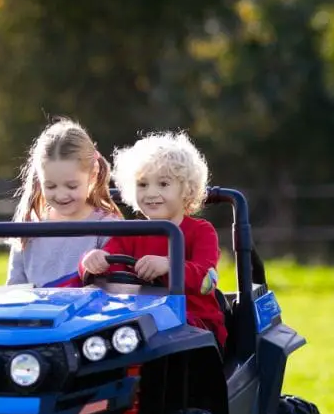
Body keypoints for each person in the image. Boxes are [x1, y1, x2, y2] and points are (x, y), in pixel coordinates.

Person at [79, 130, 227, 347]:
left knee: (160, 334)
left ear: (187, 189)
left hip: (194, 322)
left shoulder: (201, 231)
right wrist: (92, 261)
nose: (150, 193)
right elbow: (108, 263)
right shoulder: (131, 233)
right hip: (139, 320)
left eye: (163, 184)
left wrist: (170, 266)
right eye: (142, 184)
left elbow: (206, 280)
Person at [6, 118, 122, 287]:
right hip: (37, 312)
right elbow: (14, 289)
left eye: (71, 186)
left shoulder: (107, 227)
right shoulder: (28, 228)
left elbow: (119, 289)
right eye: (51, 186)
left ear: (92, 174)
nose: (61, 195)